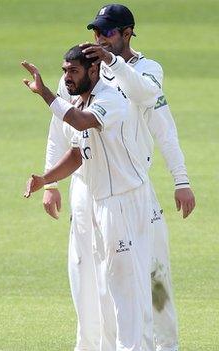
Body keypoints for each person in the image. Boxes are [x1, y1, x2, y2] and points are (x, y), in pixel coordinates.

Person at [43, 4, 195, 350]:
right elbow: (59, 128)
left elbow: (160, 122)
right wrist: (51, 183)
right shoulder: (80, 69)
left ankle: (163, 345)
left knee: (153, 273)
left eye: (107, 32)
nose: (99, 39)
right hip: (86, 187)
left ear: (127, 33)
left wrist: (181, 179)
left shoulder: (147, 71)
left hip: (133, 187)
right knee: (89, 276)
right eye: (96, 32)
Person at [23, 45, 153, 350]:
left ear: (93, 70)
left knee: (124, 284)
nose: (66, 77)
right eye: (64, 70)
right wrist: (46, 180)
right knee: (105, 283)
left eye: (73, 71)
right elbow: (78, 153)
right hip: (101, 200)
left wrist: (45, 94)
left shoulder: (110, 98)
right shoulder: (84, 100)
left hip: (123, 200)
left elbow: (80, 123)